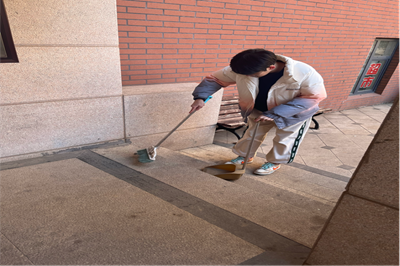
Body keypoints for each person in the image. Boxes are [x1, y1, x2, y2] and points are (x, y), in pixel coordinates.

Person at [190, 49, 327, 175]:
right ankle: (244, 156)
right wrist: (200, 97)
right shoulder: (244, 68)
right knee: (251, 134)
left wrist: (274, 114)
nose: (245, 76)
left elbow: (312, 98)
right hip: (258, 109)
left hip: (293, 113)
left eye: (251, 75)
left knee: (285, 139)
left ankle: (274, 162)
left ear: (270, 68)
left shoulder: (305, 73)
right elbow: (214, 79)